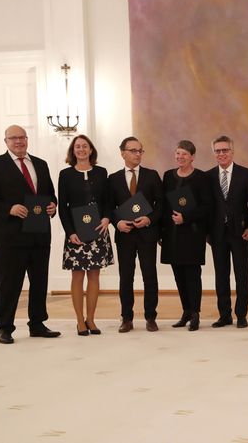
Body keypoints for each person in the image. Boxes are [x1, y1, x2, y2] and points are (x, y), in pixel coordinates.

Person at [0, 125, 61, 344]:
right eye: (13, 138)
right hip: (10, 236)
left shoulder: (40, 164)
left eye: (22, 137)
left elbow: (50, 193)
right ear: (5, 141)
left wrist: (53, 205)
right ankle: (5, 327)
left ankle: (37, 323)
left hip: (40, 233)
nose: (18, 141)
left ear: (27, 139)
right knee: (8, 283)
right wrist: (9, 208)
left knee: (39, 281)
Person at [58, 135, 114, 336]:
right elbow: (63, 207)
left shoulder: (101, 172)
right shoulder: (65, 175)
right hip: (76, 234)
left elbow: (108, 200)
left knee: (94, 276)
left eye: (85, 146)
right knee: (77, 276)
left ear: (91, 150)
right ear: (73, 151)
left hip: (98, 230)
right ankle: (79, 321)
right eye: (77, 146)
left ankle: (91, 319)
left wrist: (107, 218)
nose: (81, 149)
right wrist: (70, 232)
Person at [108, 136, 163, 333]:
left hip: (147, 234)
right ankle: (126, 318)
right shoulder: (113, 179)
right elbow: (109, 207)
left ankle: (151, 317)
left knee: (150, 276)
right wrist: (117, 222)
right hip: (125, 235)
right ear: (122, 153)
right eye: (133, 150)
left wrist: (149, 219)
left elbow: (161, 204)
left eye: (140, 151)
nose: (137, 154)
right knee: (126, 277)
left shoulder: (152, 175)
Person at [161, 140, 212, 332]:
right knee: (178, 275)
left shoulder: (201, 178)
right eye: (177, 153)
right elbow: (164, 205)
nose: (180, 157)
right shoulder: (168, 176)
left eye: (184, 154)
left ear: (192, 157)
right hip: (172, 234)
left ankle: (196, 314)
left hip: (192, 234)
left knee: (192, 274)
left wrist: (186, 217)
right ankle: (186, 311)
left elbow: (207, 206)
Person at [207, 136, 248, 329]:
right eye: (218, 151)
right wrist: (207, 233)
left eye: (225, 150)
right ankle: (224, 315)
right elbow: (207, 207)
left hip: (240, 233)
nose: (221, 154)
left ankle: (241, 314)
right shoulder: (208, 176)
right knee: (221, 275)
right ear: (214, 153)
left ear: (232, 151)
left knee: (242, 274)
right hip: (217, 234)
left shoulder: (245, 174)